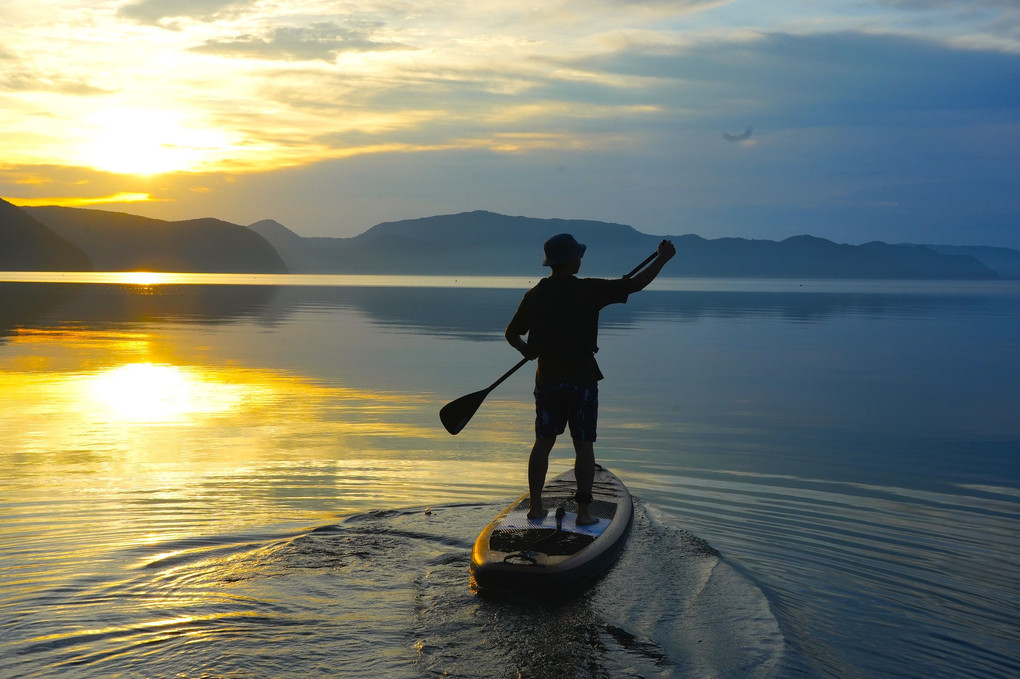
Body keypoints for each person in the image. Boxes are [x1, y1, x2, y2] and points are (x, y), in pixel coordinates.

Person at [505, 233, 676, 525]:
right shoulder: (589, 290)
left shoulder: (535, 294)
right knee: (583, 445)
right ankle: (583, 514)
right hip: (582, 382)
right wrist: (662, 259)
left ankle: (535, 508)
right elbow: (634, 285)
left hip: (548, 381)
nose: (580, 259)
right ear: (572, 260)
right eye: (578, 256)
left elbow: (512, 334)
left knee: (543, 442)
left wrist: (528, 350)